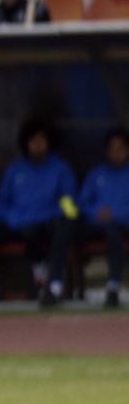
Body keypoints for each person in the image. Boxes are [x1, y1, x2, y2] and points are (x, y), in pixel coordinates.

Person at [0, 119, 76, 305]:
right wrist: (12, 217)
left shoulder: (61, 168)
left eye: (41, 140)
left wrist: (41, 216)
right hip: (15, 222)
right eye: (33, 140)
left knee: (33, 232)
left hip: (44, 224)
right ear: (25, 143)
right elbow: (2, 204)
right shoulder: (15, 169)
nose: (37, 145)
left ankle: (42, 280)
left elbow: (68, 204)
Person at [73, 128, 129, 308]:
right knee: (65, 229)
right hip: (96, 225)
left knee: (113, 231)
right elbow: (82, 202)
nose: (116, 153)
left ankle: (113, 285)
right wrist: (96, 212)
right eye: (112, 149)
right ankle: (54, 287)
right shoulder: (97, 173)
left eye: (120, 148)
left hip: (123, 226)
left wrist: (115, 214)